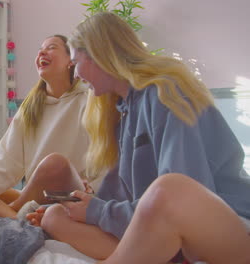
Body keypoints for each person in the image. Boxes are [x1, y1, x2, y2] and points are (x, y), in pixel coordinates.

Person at [27, 12, 250, 264]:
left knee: (169, 190)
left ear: (99, 55)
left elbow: (182, 195)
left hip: (227, 229)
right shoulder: (122, 113)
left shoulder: (166, 92)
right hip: (168, 234)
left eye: (76, 62)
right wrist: (86, 207)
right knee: (55, 215)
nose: (76, 75)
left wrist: (97, 211)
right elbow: (118, 202)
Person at [0, 35, 90, 219]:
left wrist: (93, 189)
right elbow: (6, 161)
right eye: (40, 49)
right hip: (33, 196)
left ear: (71, 60)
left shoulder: (89, 100)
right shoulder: (31, 107)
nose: (42, 52)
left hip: (69, 195)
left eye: (51, 47)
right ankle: (16, 217)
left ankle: (12, 213)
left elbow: (105, 158)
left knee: (54, 164)